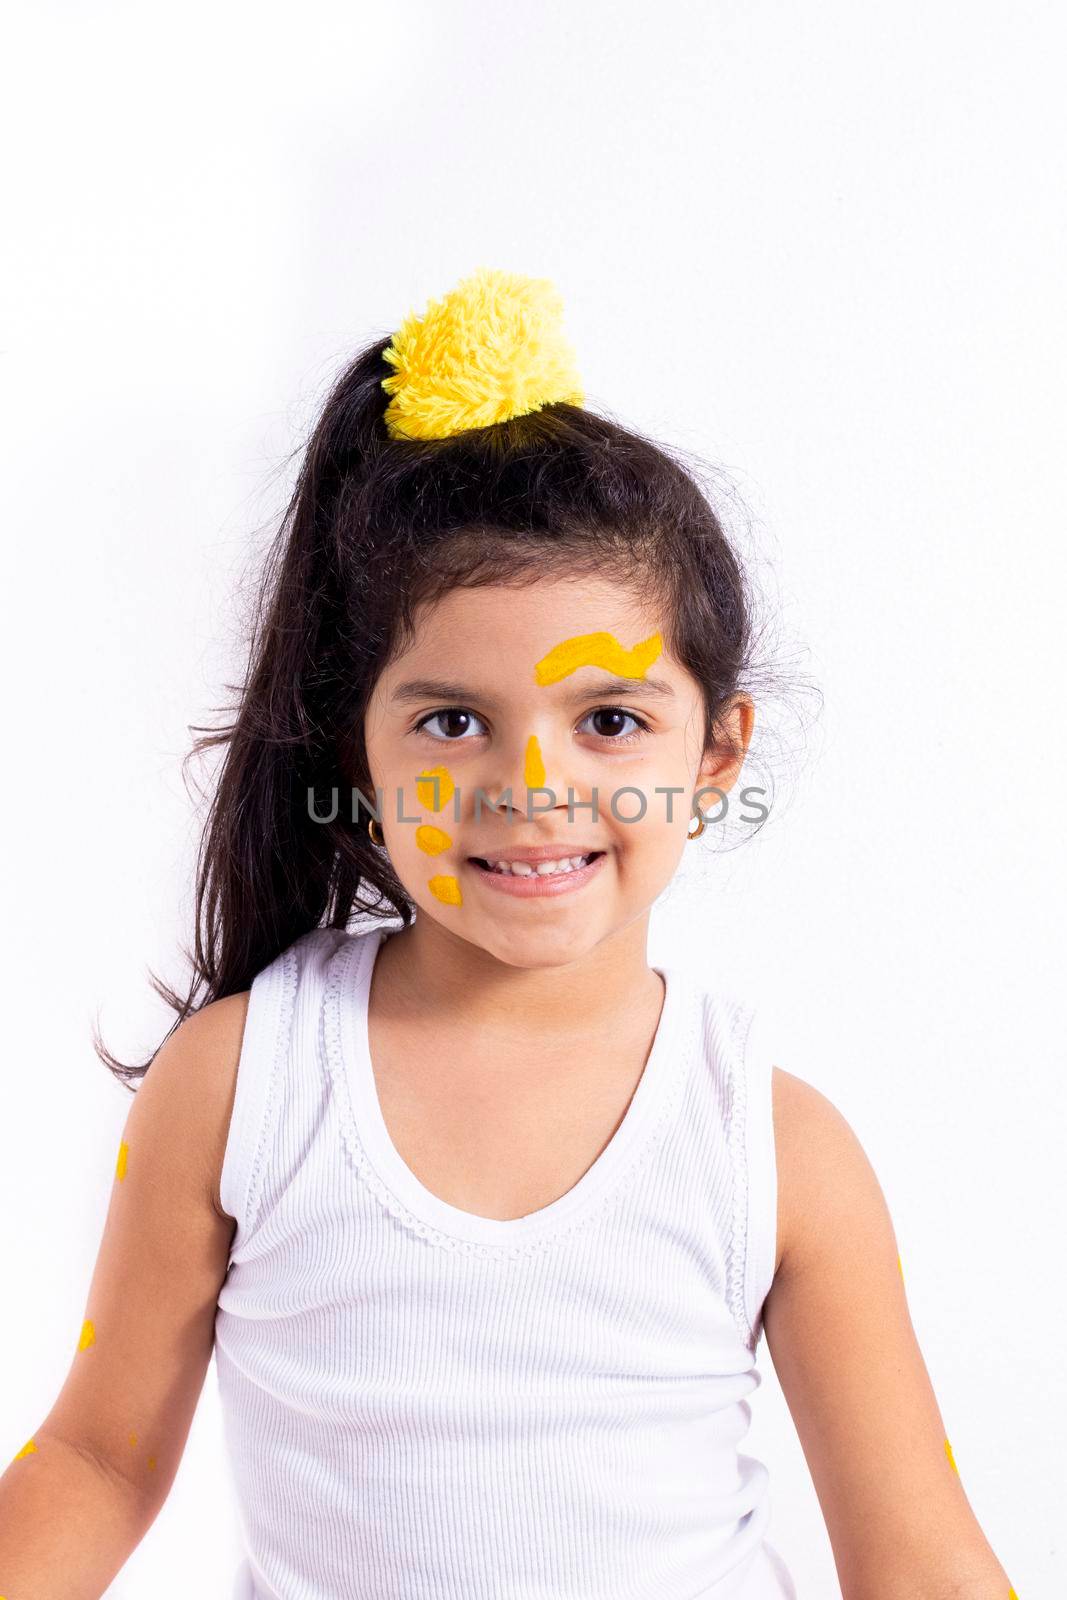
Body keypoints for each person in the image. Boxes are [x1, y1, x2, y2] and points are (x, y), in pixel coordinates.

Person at [0, 268, 1018, 1599]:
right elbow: (98, 1459)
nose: (531, 790)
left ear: (715, 755)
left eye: (607, 722)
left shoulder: (773, 1150)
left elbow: (915, 1557)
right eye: (451, 722)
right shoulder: (242, 1084)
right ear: (353, 754)